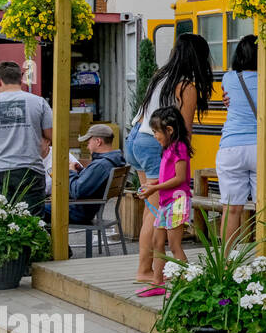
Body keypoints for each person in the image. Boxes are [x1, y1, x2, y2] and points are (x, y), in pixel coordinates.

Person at [124, 33, 213, 284]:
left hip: (136, 138)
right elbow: (183, 131)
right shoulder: (186, 87)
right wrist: (182, 165)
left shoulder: (160, 76)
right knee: (157, 211)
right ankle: (146, 270)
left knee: (151, 209)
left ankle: (148, 268)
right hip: (155, 145)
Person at [0, 61, 54, 207]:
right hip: (30, 171)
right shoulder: (39, 103)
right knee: (32, 221)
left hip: (0, 171)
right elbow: (52, 135)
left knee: (2, 220)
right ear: (20, 80)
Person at [137, 106, 192, 296]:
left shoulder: (179, 148)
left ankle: (186, 283)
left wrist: (155, 188)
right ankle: (157, 282)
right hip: (166, 202)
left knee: (174, 244)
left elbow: (180, 178)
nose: (154, 136)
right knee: (156, 241)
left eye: (155, 132)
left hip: (177, 201)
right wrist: (154, 183)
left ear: (169, 130)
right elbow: (169, 176)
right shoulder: (168, 148)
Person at [217, 34, 259, 246]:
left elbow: (231, 101)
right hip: (260, 147)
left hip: (231, 147)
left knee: (232, 208)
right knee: (265, 206)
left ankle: (225, 262)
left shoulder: (228, 78)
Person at [45, 124, 127, 225]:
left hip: (78, 211)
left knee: (36, 208)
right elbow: (92, 181)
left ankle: (50, 240)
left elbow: (77, 191)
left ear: (98, 141)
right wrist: (81, 171)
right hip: (88, 208)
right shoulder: (113, 160)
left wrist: (71, 172)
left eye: (88, 143)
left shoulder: (101, 165)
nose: (87, 147)